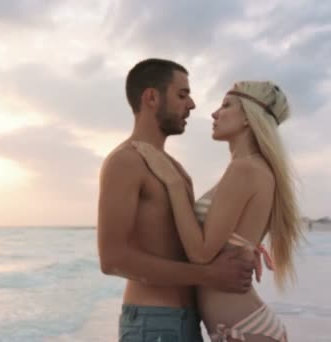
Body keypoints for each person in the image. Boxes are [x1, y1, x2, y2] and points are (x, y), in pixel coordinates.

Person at [97, 58, 256, 342]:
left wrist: (241, 249)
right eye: (182, 95)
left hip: (186, 322)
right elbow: (112, 259)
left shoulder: (176, 170)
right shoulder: (125, 161)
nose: (192, 104)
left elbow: (191, 245)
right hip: (152, 324)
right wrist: (208, 275)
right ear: (151, 98)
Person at [132, 80, 303, 341]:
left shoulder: (245, 169)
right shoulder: (254, 169)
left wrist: (174, 184)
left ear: (248, 118)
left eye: (225, 105)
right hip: (244, 326)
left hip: (242, 329)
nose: (214, 113)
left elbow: (201, 253)